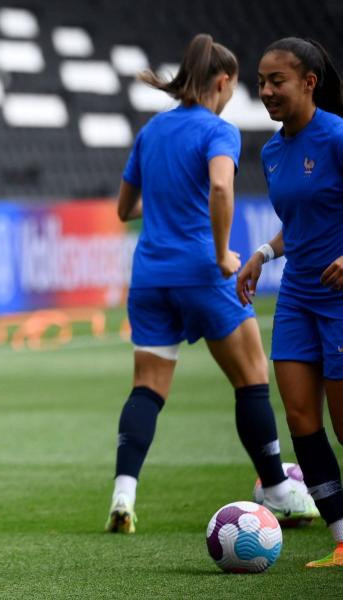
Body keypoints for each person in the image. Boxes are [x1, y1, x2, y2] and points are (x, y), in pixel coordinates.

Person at [105, 34, 318, 535]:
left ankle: (123, 493)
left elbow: (123, 210)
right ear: (223, 82)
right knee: (251, 378)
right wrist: (223, 252)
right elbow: (222, 186)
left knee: (147, 388)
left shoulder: (152, 131)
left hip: (151, 276)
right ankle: (277, 486)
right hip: (202, 272)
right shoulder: (215, 131)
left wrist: (163, 209)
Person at [237, 37, 343, 568]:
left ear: (309, 81)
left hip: (341, 298)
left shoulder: (339, 137)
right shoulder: (275, 151)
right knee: (302, 419)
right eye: (260, 81)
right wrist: (262, 252)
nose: (265, 91)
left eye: (276, 81)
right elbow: (297, 221)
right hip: (298, 296)